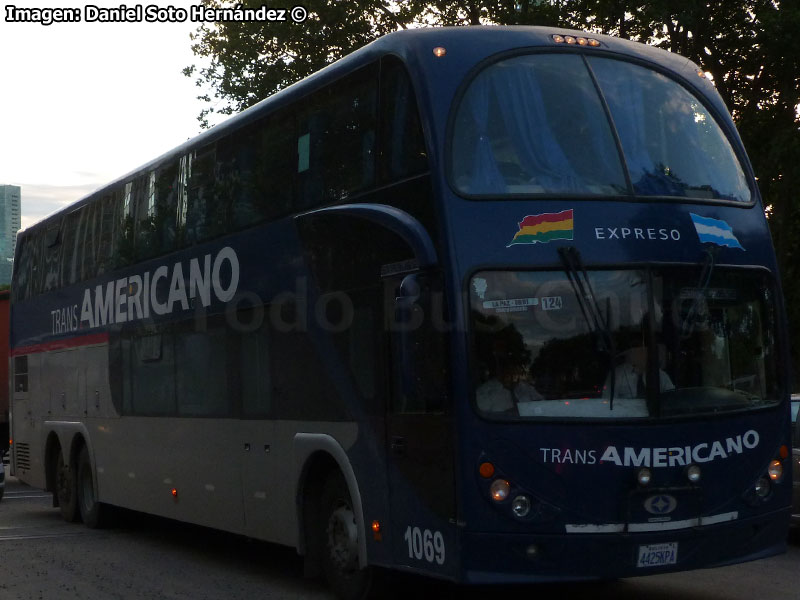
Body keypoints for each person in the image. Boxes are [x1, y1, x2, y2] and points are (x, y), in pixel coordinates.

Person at [605, 345, 674, 399]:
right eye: (638, 351)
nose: (642, 354)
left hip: (654, 415)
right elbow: (608, 402)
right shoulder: (617, 374)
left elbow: (671, 397)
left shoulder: (659, 374)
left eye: (644, 351)